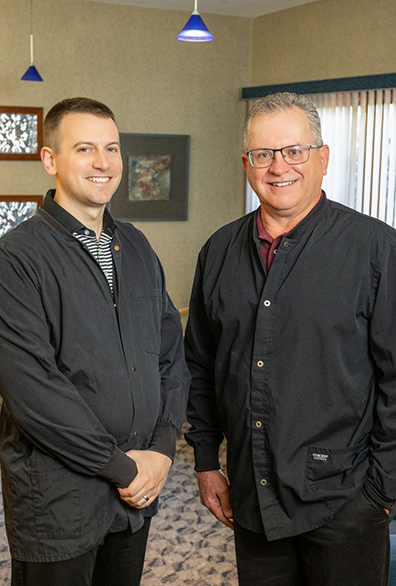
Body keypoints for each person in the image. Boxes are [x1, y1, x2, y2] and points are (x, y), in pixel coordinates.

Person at [184, 92, 396, 586]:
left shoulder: (376, 249)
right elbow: (200, 365)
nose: (279, 167)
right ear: (247, 163)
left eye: (294, 151)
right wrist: (204, 460)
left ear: (322, 158)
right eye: (263, 154)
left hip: (346, 500)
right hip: (252, 492)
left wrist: (382, 490)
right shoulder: (218, 251)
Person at [0, 97, 190, 586]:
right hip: (60, 501)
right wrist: (123, 469)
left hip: (137, 494)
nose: (103, 163)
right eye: (84, 148)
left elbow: (170, 355)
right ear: (50, 160)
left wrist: (164, 449)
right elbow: (33, 393)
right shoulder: (17, 259)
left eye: (112, 148)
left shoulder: (137, 248)